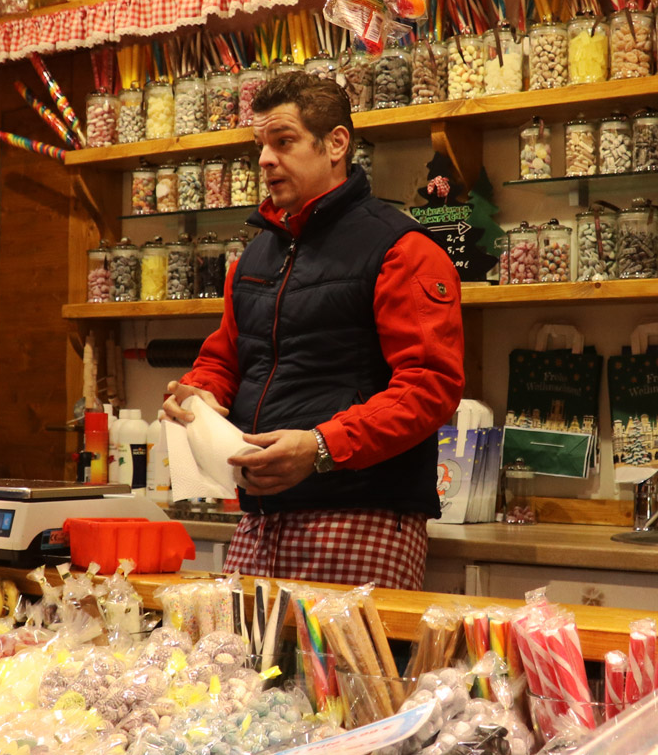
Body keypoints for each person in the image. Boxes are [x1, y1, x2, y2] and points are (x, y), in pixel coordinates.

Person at [161, 71, 464, 590]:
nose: (265, 160)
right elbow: (226, 359)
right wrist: (201, 394)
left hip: (360, 518)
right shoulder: (255, 255)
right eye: (261, 145)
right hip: (259, 518)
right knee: (242, 670)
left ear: (336, 144)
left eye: (283, 142)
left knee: (349, 675)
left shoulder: (401, 248)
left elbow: (430, 386)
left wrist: (321, 446)